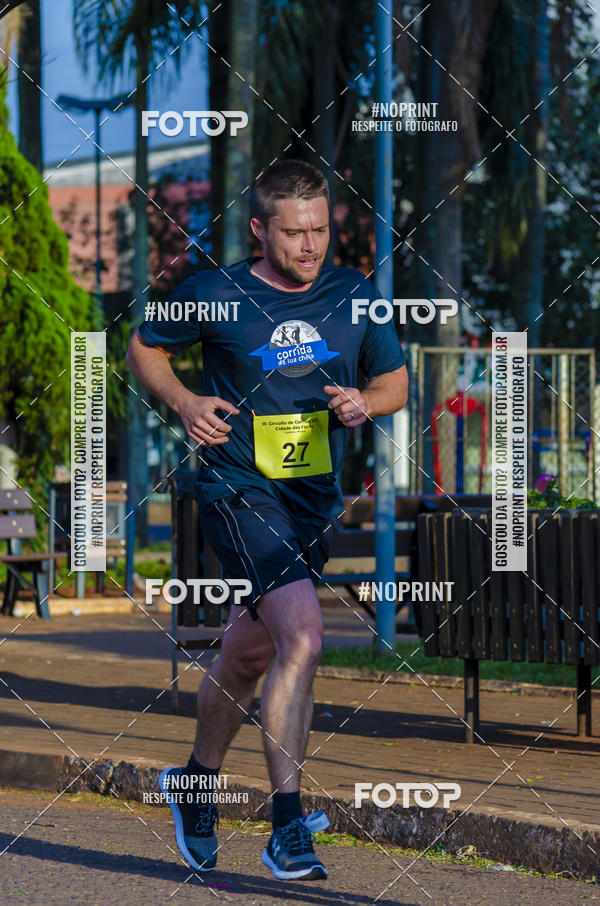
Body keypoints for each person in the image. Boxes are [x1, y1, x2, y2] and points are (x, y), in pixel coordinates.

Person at [125, 159, 408, 881]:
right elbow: (143, 346)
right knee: (306, 638)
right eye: (293, 232)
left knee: (250, 657)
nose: (310, 246)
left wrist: (364, 406)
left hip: (312, 502)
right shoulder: (217, 292)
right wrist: (186, 403)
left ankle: (194, 784)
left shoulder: (353, 292)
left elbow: (395, 381)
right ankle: (287, 829)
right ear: (259, 229)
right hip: (236, 488)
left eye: (320, 230)